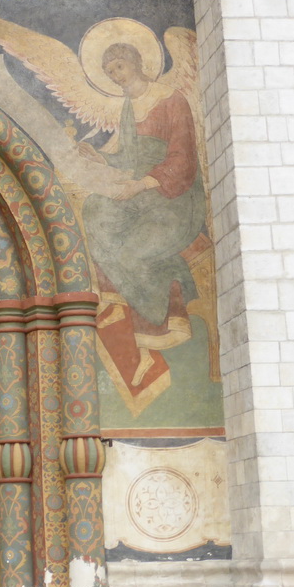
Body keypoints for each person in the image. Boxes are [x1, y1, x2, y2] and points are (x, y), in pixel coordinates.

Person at [78, 42, 206, 388]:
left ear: (137, 61)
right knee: (94, 210)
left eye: (119, 67)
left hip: (173, 197)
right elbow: (129, 160)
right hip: (141, 193)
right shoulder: (127, 109)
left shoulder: (171, 100)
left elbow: (183, 163)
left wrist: (142, 185)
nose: (117, 76)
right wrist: (100, 158)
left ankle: (164, 319)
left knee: (132, 251)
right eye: (110, 72)